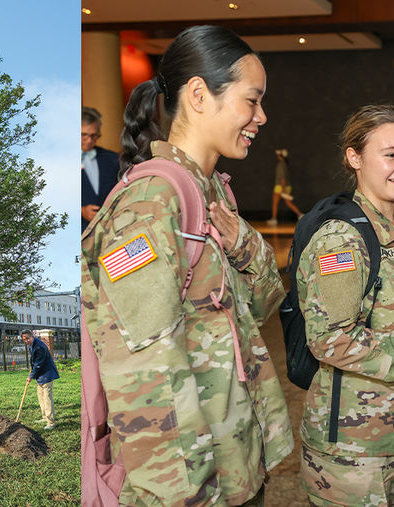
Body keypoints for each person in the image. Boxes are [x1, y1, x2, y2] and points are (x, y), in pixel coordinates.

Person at [81, 25, 292, 506]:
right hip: (189, 484)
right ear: (199, 94)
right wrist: (184, 495)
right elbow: (144, 371)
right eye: (252, 100)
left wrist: (247, 247)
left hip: (234, 459)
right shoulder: (151, 204)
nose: (261, 116)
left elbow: (256, 312)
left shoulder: (212, 189)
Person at [296, 104, 394, 505]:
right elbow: (331, 341)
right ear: (354, 158)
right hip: (356, 450)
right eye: (390, 155)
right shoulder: (342, 241)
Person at [81, 106, 121, 232]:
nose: (89, 140)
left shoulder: (113, 159)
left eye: (93, 136)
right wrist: (80, 211)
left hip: (108, 232)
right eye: (83, 135)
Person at [20, 330, 59, 430]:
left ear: (32, 336)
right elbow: (34, 361)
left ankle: (51, 422)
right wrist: (32, 370)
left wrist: (31, 376)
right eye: (24, 339)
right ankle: (45, 417)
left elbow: (39, 364)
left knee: (47, 398)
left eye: (27, 338)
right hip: (40, 375)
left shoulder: (39, 346)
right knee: (41, 397)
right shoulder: (32, 345)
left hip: (47, 374)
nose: (26, 341)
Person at [268, 148, 302, 226]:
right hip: (284, 186)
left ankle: (274, 219)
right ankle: (300, 214)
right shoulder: (285, 164)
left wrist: (283, 188)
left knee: (275, 203)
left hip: (280, 187)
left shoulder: (281, 164)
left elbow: (282, 178)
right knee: (288, 202)